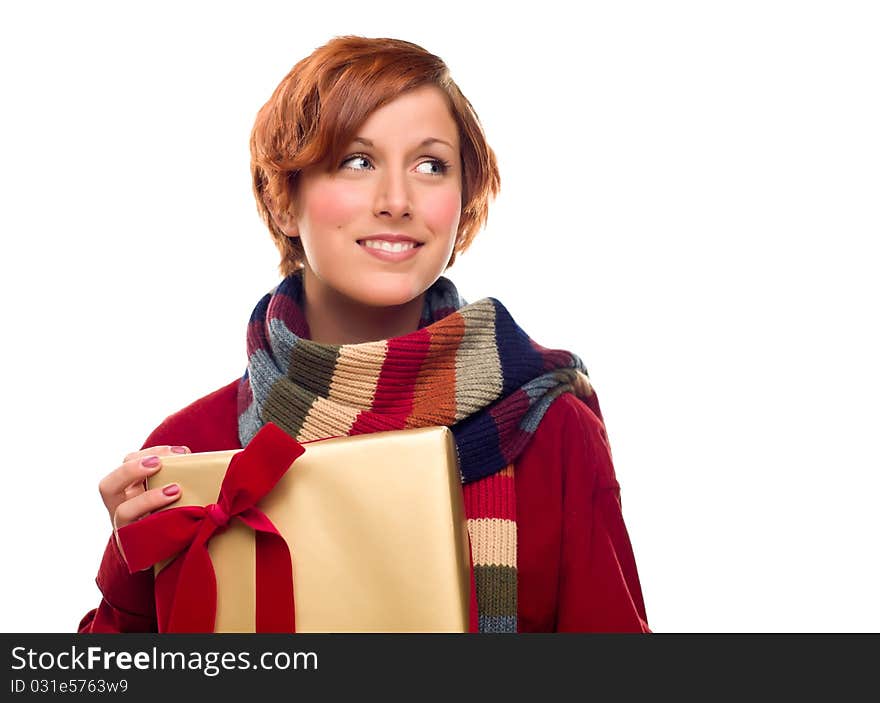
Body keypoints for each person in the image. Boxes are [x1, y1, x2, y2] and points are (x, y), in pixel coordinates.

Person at [79, 35, 649, 633]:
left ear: (463, 201)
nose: (397, 200)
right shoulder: (192, 452)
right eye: (357, 160)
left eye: (431, 165)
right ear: (282, 200)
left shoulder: (551, 432)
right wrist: (132, 573)